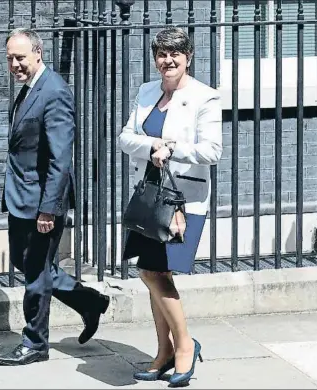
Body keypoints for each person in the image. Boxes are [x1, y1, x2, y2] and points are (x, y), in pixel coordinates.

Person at [0, 28, 110, 367]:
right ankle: (89, 301)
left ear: (38, 53)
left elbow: (61, 158)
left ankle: (34, 343)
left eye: (20, 58)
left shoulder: (55, 92)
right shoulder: (31, 88)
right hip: (22, 196)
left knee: (36, 273)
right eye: (10, 59)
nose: (15, 64)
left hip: (41, 200)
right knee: (26, 262)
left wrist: (49, 209)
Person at [119, 27, 223, 387]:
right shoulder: (147, 91)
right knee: (150, 271)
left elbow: (212, 151)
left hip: (183, 201)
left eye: (175, 55)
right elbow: (125, 137)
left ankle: (184, 346)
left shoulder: (204, 98)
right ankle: (163, 353)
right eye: (162, 55)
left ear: (188, 58)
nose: (168, 61)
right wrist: (152, 146)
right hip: (149, 196)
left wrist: (173, 148)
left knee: (157, 273)